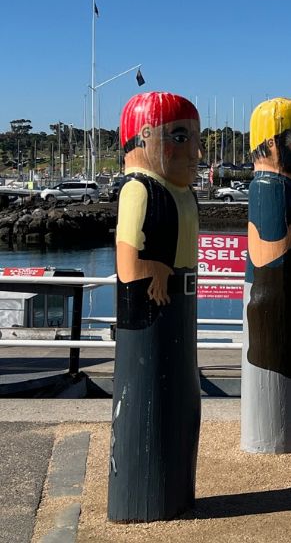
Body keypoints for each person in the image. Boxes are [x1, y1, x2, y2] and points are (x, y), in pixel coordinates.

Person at [108, 91, 202, 522]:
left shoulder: (181, 192)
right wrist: (157, 268)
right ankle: (145, 499)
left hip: (180, 310)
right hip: (149, 318)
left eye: (195, 139)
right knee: (150, 405)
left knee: (183, 405)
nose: (195, 152)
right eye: (180, 137)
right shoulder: (139, 190)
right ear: (144, 137)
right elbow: (128, 265)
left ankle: (175, 492)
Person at [241, 97, 291, 453]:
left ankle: (288, 432)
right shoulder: (267, 187)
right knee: (273, 365)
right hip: (269, 303)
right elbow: (259, 252)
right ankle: (269, 435)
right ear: (271, 144)